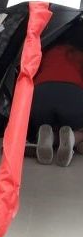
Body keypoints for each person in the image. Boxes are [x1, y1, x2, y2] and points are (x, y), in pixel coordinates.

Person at [30, 19, 83, 167]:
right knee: (77, 124)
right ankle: (73, 138)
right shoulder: (79, 54)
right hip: (71, 94)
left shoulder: (46, 50)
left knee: (50, 122)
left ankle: (48, 136)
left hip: (38, 96)